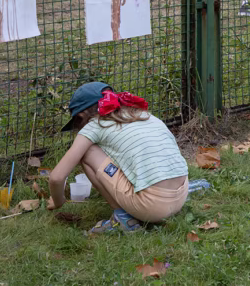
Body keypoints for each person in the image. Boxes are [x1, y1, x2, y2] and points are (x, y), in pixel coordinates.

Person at [47, 82, 189, 234]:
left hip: (152, 207)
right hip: (181, 195)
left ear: (81, 116)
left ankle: (123, 218)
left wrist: (58, 201)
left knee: (86, 151)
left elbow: (56, 177)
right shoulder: (140, 114)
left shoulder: (94, 125)